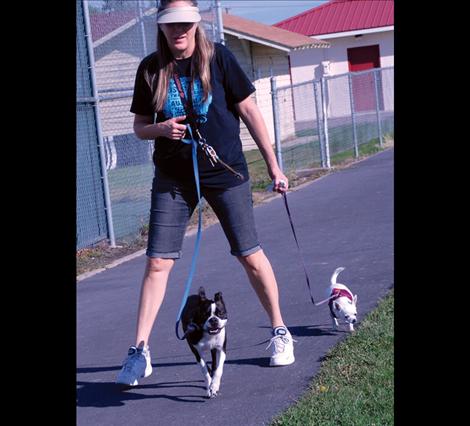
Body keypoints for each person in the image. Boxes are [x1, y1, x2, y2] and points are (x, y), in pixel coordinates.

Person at [116, 0, 295, 386]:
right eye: (170, 24)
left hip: (226, 171)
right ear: (161, 26)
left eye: (185, 23)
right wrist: (161, 130)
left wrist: (274, 165)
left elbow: (250, 111)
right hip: (173, 178)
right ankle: (139, 351)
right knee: (157, 262)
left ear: (196, 23)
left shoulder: (220, 58)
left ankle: (280, 331)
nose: (178, 30)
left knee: (248, 254)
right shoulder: (150, 68)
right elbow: (140, 127)